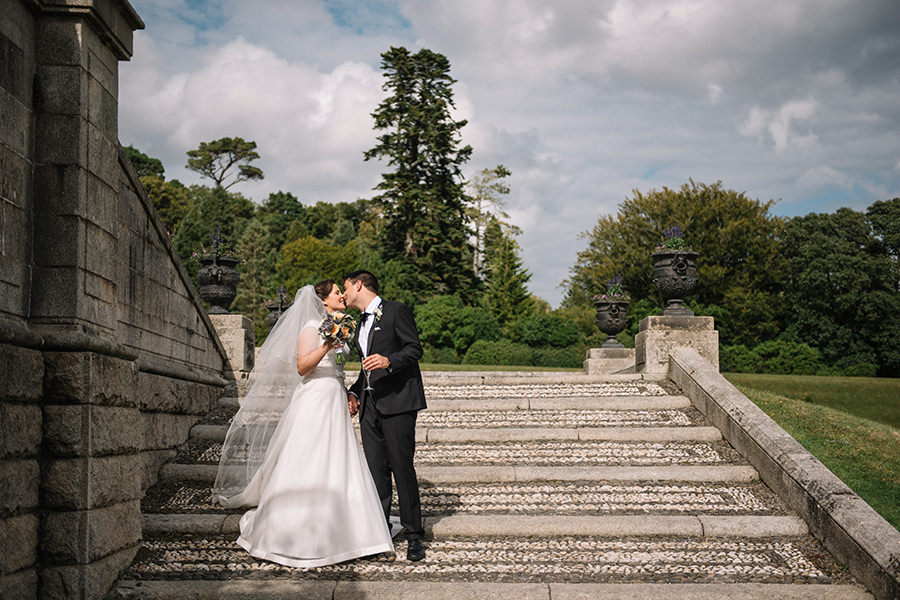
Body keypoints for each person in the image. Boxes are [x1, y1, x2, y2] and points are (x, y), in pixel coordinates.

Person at [211, 280, 394, 568]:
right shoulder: (311, 326)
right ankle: (293, 528)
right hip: (314, 398)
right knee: (308, 457)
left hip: (334, 395)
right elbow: (302, 367)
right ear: (323, 300)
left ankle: (353, 529)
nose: (341, 296)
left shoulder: (340, 325)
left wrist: (348, 391)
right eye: (336, 293)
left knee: (340, 459)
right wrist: (326, 345)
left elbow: (338, 368)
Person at [343, 270, 427, 562]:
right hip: (370, 406)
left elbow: (414, 349)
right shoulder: (358, 326)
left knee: (402, 468)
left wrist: (390, 360)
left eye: (346, 288)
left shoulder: (395, 310)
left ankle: (414, 535)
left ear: (359, 285)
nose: (344, 294)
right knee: (376, 471)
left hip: (398, 402)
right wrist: (355, 392)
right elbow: (367, 366)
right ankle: (379, 535)